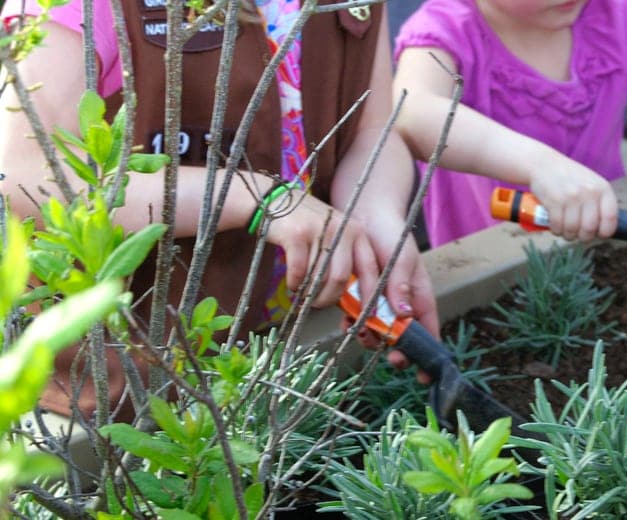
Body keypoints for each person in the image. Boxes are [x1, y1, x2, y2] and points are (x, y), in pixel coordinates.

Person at [0, 0, 438, 420]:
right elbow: (24, 177)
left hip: (302, 346)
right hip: (144, 395)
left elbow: (372, 129)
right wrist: (253, 197)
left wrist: (376, 214)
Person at [392, 0, 627, 249]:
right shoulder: (447, 34)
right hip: (495, 273)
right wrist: (540, 165)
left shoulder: (614, 13)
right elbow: (413, 110)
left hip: (606, 242)